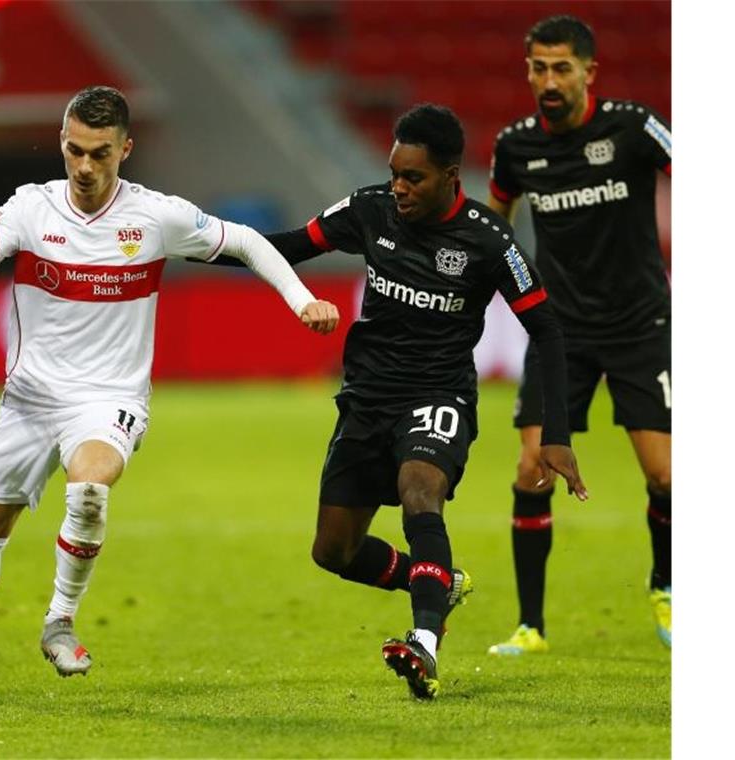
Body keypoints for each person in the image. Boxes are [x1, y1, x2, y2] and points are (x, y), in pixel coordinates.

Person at [0, 85, 340, 680]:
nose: (84, 167)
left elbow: (248, 241)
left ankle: (59, 620)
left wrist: (302, 300)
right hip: (29, 398)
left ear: (126, 148)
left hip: (108, 398)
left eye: (100, 153)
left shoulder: (154, 217)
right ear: (62, 143)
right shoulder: (30, 208)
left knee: (91, 488)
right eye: (75, 151)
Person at [205, 103, 587, 700]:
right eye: (395, 173)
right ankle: (433, 580)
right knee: (333, 550)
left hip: (439, 394)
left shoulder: (487, 239)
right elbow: (288, 246)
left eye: (414, 177)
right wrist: (188, 241)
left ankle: (425, 642)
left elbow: (548, 328)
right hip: (367, 398)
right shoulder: (369, 209)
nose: (400, 187)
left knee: (420, 489)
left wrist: (555, 433)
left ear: (451, 175)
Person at [486, 15, 672, 655]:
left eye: (561, 67)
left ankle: (665, 587)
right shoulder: (515, 146)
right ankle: (531, 626)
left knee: (667, 478)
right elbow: (496, 222)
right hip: (559, 332)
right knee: (531, 471)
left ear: (589, 72)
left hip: (639, 327)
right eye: (538, 67)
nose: (548, 80)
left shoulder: (632, 125)